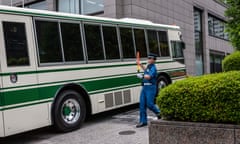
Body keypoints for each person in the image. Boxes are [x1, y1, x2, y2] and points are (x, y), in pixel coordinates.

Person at [136, 53, 160, 128]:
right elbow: (146, 70)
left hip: (150, 87)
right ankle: (143, 121)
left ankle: (159, 113)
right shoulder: (149, 66)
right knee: (142, 104)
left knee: (149, 104)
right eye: (148, 58)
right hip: (144, 88)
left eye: (150, 58)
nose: (148, 59)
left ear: (154, 60)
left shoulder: (153, 68)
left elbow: (149, 76)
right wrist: (140, 64)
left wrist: (142, 76)